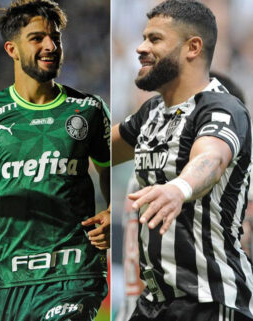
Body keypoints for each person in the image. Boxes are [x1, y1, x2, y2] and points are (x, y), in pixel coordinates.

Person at [0, 0, 110, 320]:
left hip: (73, 274)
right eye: (37, 38)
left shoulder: (88, 109)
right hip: (13, 281)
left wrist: (112, 212)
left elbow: (108, 172)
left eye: (55, 37)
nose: (50, 46)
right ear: (12, 49)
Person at [112, 0, 253, 320]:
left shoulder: (221, 108)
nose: (141, 48)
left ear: (193, 47)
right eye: (144, 37)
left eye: (155, 39)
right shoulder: (152, 113)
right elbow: (99, 150)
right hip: (155, 302)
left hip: (209, 299)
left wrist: (180, 187)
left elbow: (213, 158)